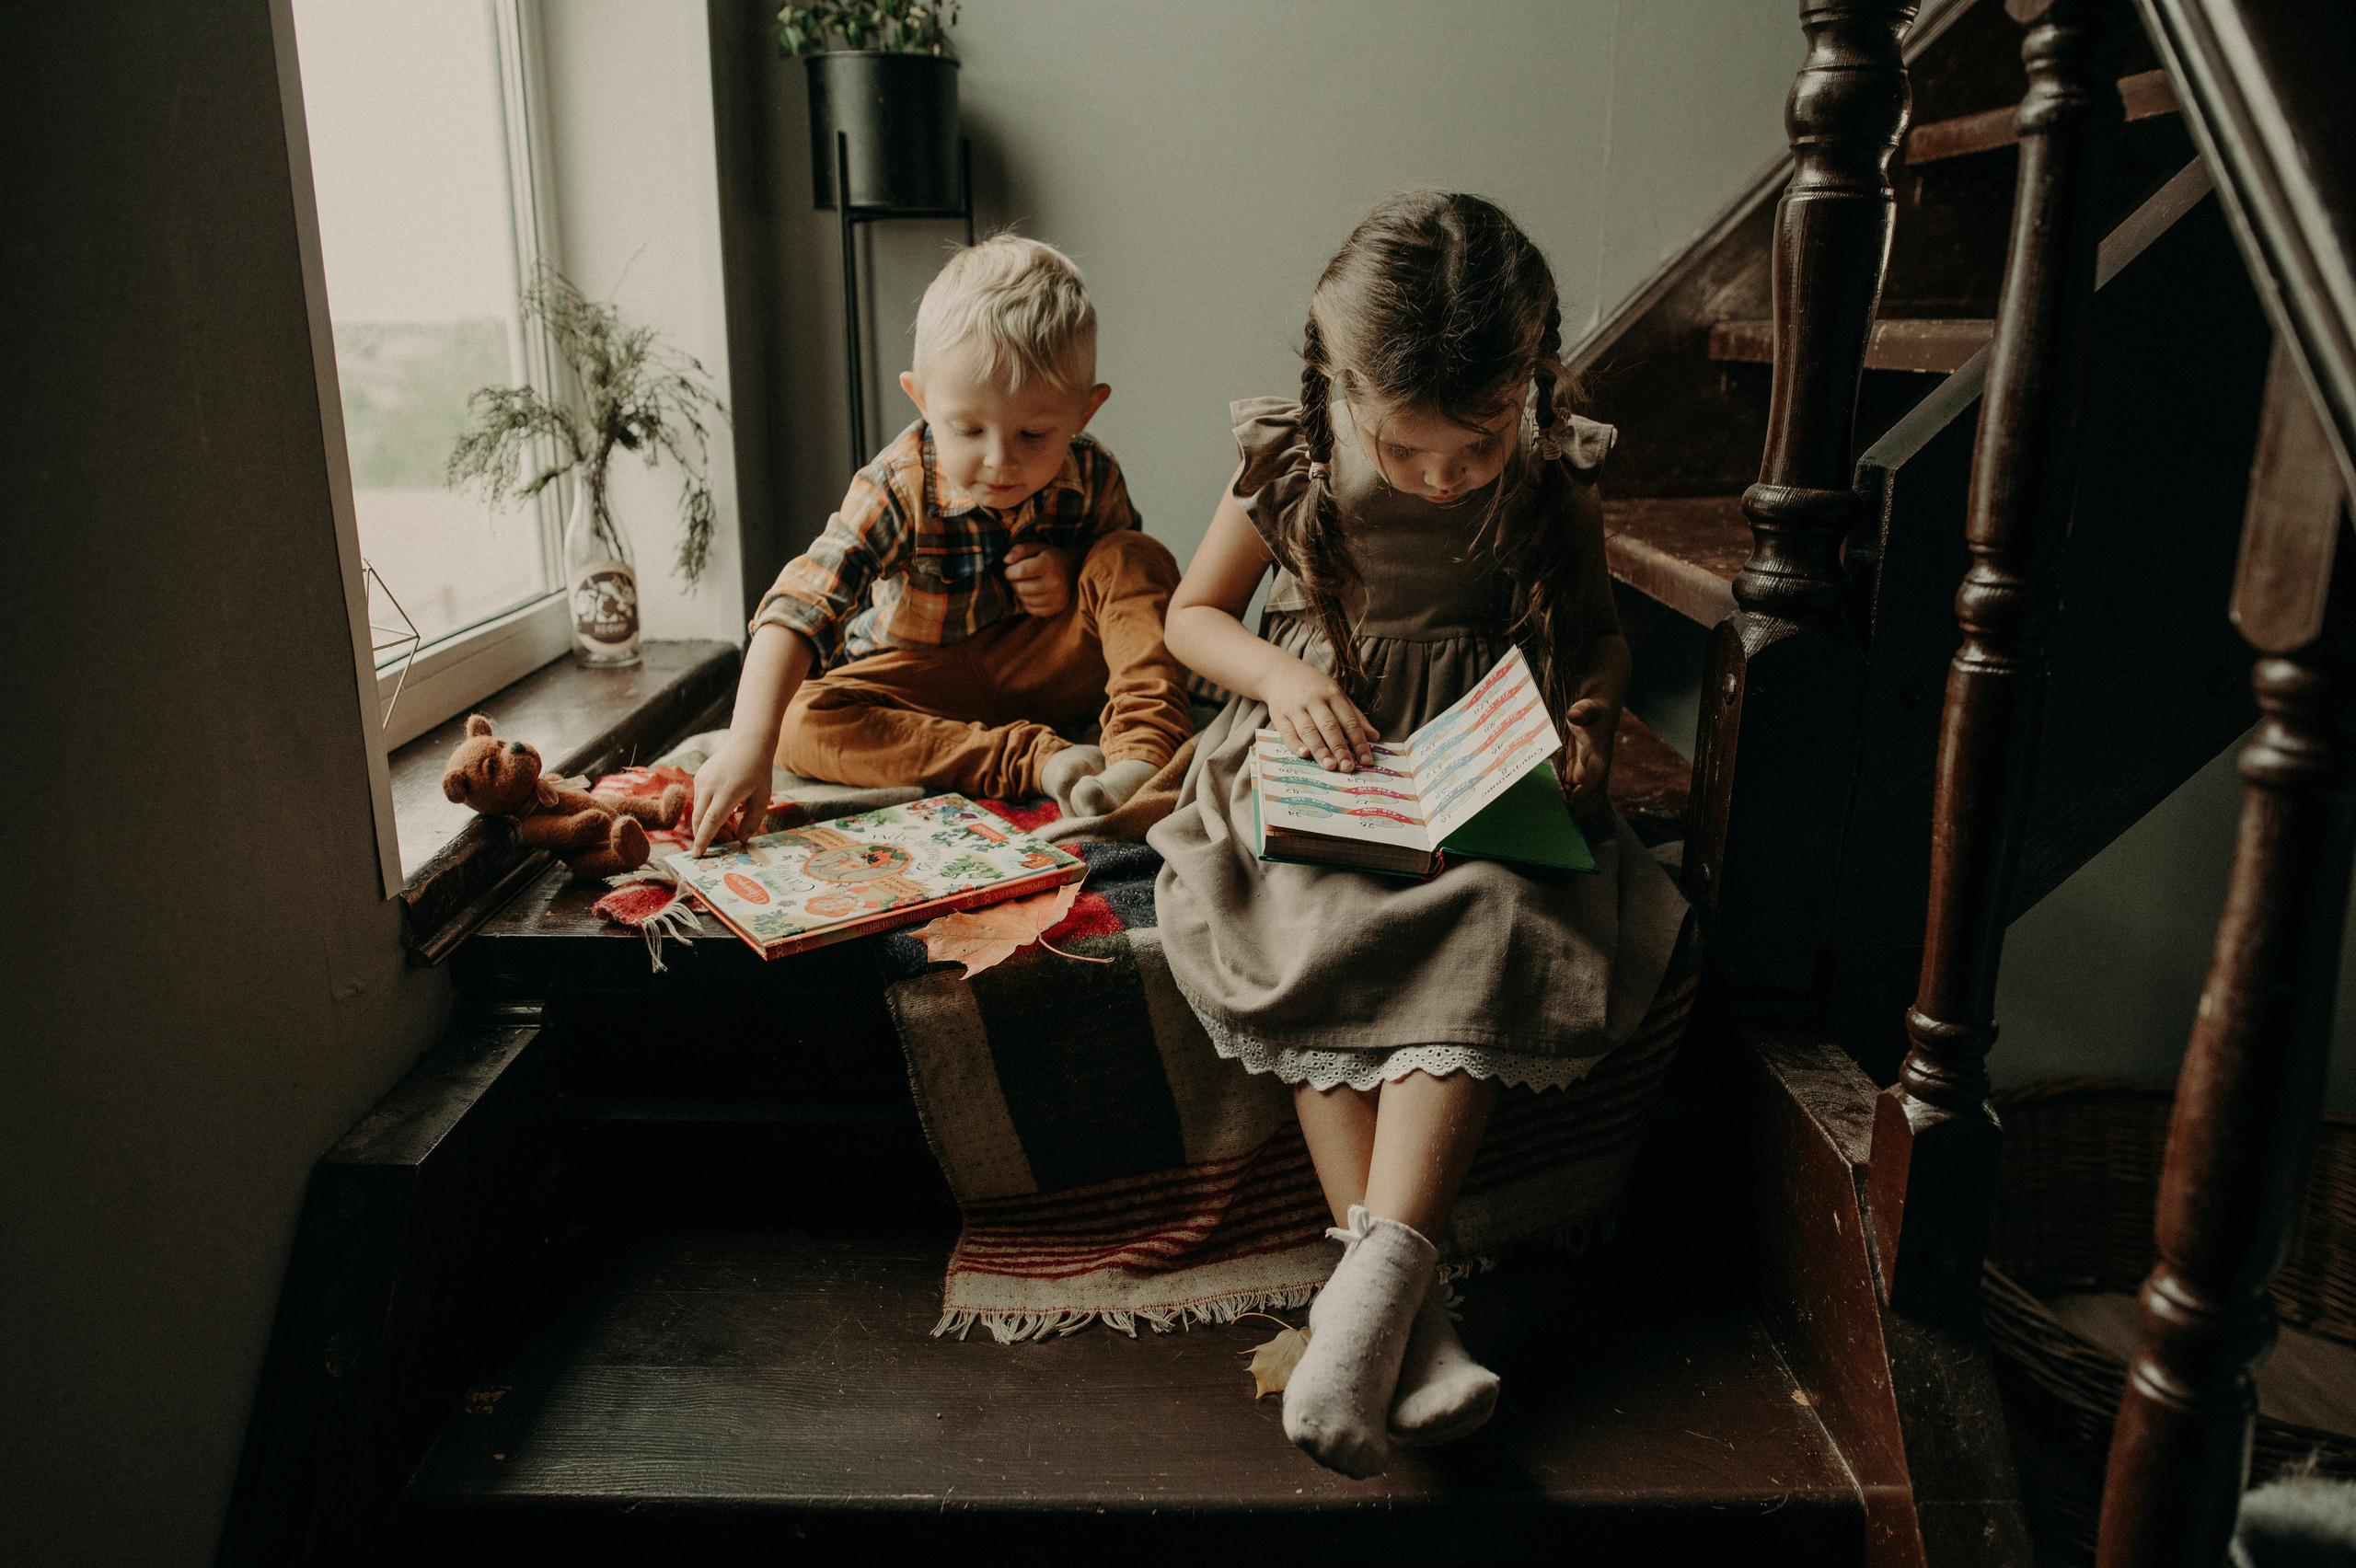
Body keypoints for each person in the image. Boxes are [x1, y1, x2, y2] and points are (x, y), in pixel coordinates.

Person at [1149, 192, 1689, 1478]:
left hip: (1481, 756)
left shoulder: (1555, 462)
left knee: (1501, 913)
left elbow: (1603, 631)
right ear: (1339, 387)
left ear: (1530, 380)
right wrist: (1281, 684)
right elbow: (1193, 616)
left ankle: (1376, 1302)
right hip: (1327, 742)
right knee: (1307, 918)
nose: (1443, 476)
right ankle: (1412, 1320)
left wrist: (1595, 711)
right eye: (1407, 451)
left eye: (1476, 444)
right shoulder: (1289, 455)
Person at [689, 236, 1190, 854]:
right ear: (923, 400)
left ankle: (1141, 761)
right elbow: (800, 604)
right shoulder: (898, 487)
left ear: (1085, 412)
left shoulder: (1092, 474)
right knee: (798, 722)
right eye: (968, 429)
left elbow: (1122, 599)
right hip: (921, 680)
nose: (1000, 461)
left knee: (1135, 555)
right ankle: (1034, 761)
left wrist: (1070, 568)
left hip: (1044, 664)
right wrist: (748, 743)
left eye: (1035, 433)